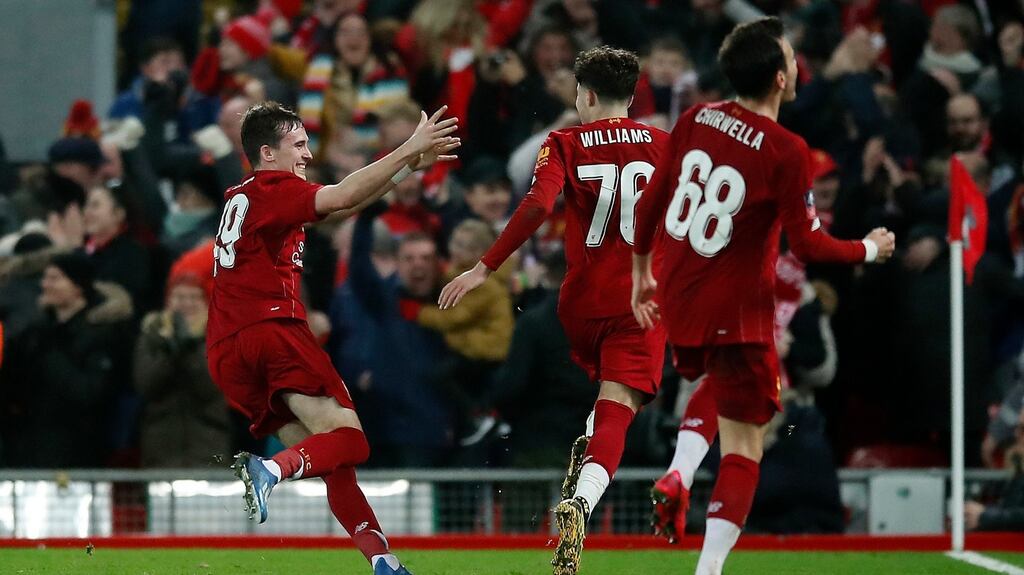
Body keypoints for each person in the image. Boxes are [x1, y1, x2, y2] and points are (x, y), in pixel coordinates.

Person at [630, 18, 895, 575]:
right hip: (738, 306)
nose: (799, 65)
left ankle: (679, 470)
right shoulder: (785, 148)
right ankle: (708, 571)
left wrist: (640, 273)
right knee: (747, 445)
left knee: (721, 388)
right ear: (779, 77)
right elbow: (809, 244)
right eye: (793, 59)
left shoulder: (696, 117)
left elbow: (653, 196)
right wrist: (868, 249)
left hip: (679, 292)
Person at [438, 45, 669, 575]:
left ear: (583, 95)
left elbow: (540, 205)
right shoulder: (666, 145)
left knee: (603, 395)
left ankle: (588, 441)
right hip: (641, 300)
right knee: (620, 404)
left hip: (580, 304)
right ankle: (582, 499)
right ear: (631, 97)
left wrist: (483, 268)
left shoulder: (564, 140)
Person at [207, 100, 458, 575]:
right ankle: (271, 469)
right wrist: (409, 145)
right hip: (271, 330)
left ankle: (383, 561)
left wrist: (405, 167)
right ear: (267, 153)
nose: (305, 155)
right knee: (352, 440)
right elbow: (342, 196)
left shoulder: (245, 196)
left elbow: (346, 204)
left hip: (227, 349)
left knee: (332, 456)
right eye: (297, 145)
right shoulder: (273, 188)